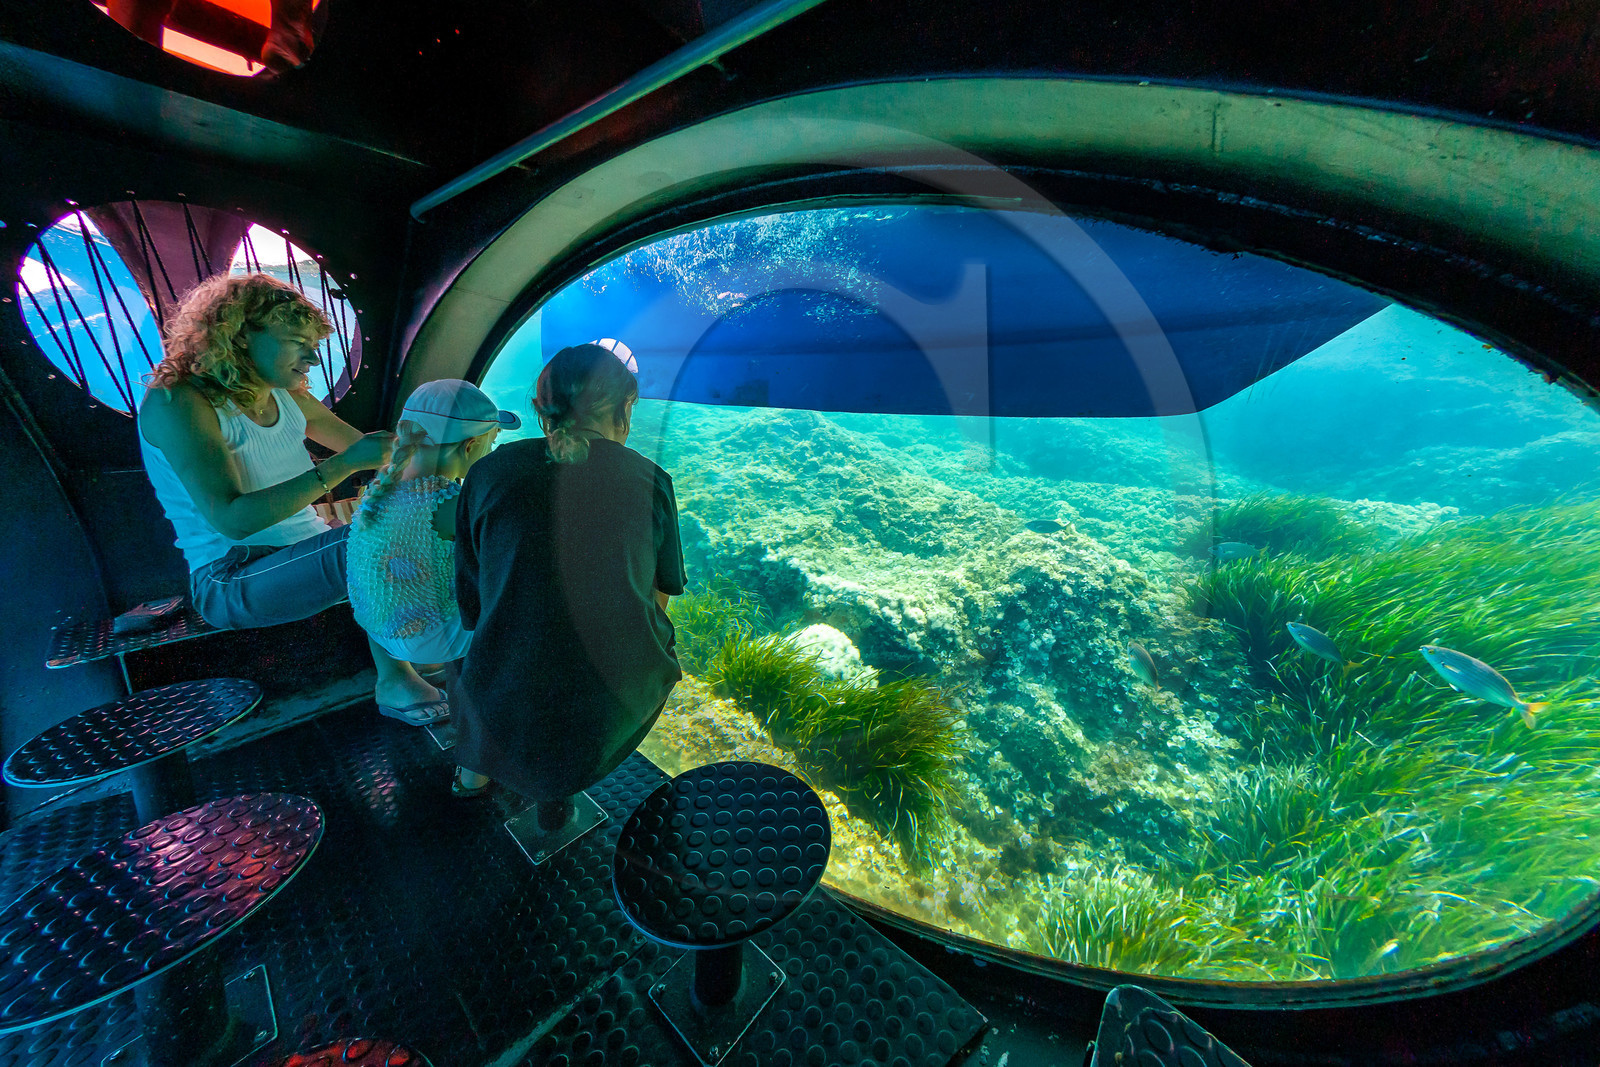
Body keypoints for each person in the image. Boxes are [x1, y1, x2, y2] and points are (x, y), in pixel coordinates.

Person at [138, 272, 446, 723]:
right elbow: (233, 519)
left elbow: (378, 452)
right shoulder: (177, 402)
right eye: (297, 340)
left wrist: (449, 454)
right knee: (365, 541)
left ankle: (432, 649)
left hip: (305, 550)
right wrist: (343, 465)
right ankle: (395, 679)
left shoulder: (289, 398)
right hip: (231, 575)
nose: (314, 357)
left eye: (314, 342)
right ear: (239, 336)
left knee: (404, 522)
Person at [451, 344, 686, 799]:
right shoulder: (651, 479)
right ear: (623, 409)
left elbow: (472, 596)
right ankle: (568, 781)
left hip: (503, 687)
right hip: (610, 698)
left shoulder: (488, 472)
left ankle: (472, 777)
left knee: (473, 658)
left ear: (541, 409)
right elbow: (661, 596)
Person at [346, 380, 518, 691]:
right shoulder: (451, 501)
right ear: (469, 446)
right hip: (437, 641)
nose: (490, 452)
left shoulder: (380, 490)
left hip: (381, 632)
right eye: (489, 444)